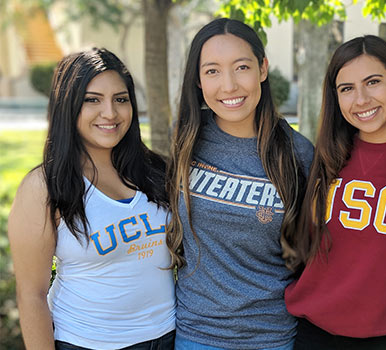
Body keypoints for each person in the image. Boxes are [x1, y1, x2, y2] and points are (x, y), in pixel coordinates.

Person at [283, 35, 386, 349]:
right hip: (315, 334)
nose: (361, 100)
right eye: (347, 89)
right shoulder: (323, 159)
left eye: (373, 82)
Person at [8, 48, 175, 349]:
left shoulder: (155, 172)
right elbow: (31, 295)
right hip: (89, 342)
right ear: (68, 106)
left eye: (120, 99)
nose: (110, 113)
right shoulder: (44, 187)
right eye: (92, 100)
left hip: (169, 336)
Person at [166, 18, 314, 350]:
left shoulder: (298, 153)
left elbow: (311, 251)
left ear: (263, 68)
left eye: (241, 67)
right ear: (198, 80)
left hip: (272, 338)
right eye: (212, 71)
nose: (229, 86)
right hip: (195, 335)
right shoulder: (187, 137)